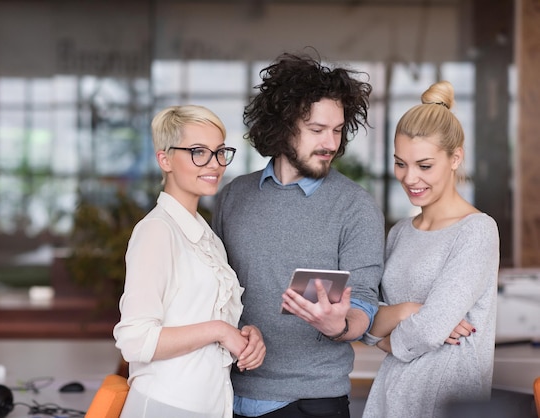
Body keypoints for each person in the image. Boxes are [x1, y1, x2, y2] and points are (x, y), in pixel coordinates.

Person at [212, 51, 385, 418]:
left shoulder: (354, 206)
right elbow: (215, 291)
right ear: (283, 126)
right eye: (317, 130)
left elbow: (365, 301)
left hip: (313, 401)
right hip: (226, 393)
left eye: (337, 130)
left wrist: (338, 326)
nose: (331, 143)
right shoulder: (233, 197)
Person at [113, 105, 266, 418]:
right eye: (198, 152)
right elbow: (135, 340)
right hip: (164, 406)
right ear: (165, 159)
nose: (214, 164)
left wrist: (243, 335)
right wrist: (220, 331)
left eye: (220, 152)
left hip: (206, 404)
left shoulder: (205, 235)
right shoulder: (157, 231)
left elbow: (199, 315)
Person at [361, 81, 500, 418]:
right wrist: (408, 310)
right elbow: (363, 317)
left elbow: (428, 328)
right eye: (400, 164)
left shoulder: (477, 231)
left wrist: (384, 333)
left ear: (455, 158)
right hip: (388, 399)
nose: (410, 179)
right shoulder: (399, 233)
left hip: (447, 405)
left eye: (424, 166)